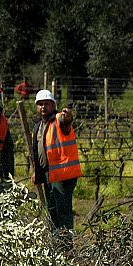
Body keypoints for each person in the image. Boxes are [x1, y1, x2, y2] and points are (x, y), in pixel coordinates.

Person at [30, 89, 82, 232]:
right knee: (52, 211)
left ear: (53, 105)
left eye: (47, 104)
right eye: (40, 104)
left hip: (62, 176)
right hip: (48, 174)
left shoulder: (58, 120)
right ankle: (56, 246)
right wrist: (36, 172)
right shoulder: (39, 126)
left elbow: (66, 121)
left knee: (63, 212)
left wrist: (68, 116)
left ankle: (66, 247)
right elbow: (37, 151)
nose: (43, 107)